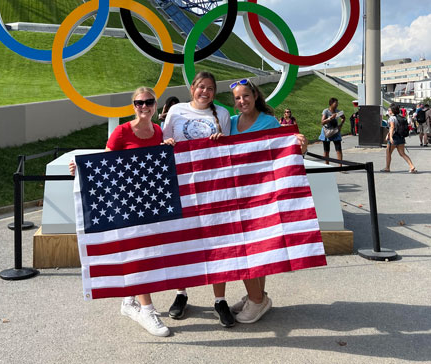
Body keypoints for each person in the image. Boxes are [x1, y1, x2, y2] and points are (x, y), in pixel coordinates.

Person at [69, 87, 171, 337]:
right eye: (139, 103)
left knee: (145, 249)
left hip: (149, 201)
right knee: (138, 251)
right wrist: (83, 168)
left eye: (148, 102)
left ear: (155, 105)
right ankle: (146, 309)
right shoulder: (122, 131)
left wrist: (165, 147)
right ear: (133, 105)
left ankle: (128, 301)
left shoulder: (157, 131)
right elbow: (106, 161)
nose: (144, 107)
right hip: (126, 203)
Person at [229, 79, 307, 324]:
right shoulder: (230, 123)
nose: (242, 101)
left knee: (250, 248)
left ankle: (256, 300)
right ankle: (258, 296)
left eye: (245, 96)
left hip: (260, 193)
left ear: (255, 95)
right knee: (250, 246)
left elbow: (282, 151)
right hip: (236, 194)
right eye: (237, 98)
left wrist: (299, 149)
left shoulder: (269, 122)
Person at [162, 71, 234, 327]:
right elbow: (162, 142)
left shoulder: (222, 115)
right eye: (201, 87)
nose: (205, 92)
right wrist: (167, 142)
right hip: (182, 184)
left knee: (217, 240)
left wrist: (220, 141)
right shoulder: (176, 111)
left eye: (210, 88)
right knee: (183, 241)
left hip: (212, 186)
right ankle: (181, 293)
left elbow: (228, 150)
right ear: (192, 88)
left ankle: (219, 299)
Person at [381, 103, 416, 173]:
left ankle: (387, 168)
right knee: (402, 153)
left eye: (389, 110)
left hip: (394, 138)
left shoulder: (392, 118)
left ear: (392, 111)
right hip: (401, 137)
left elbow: (392, 127)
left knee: (388, 153)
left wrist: (390, 137)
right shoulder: (400, 117)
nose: (388, 111)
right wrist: (388, 135)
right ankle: (412, 166)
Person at [319, 97, 346, 166]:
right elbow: (322, 122)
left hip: (335, 131)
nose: (337, 105)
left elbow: (343, 118)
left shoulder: (338, 111)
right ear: (331, 104)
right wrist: (330, 118)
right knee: (326, 150)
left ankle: (340, 166)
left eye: (337, 103)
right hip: (327, 131)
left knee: (338, 149)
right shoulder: (326, 111)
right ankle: (326, 165)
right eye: (335, 103)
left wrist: (341, 125)